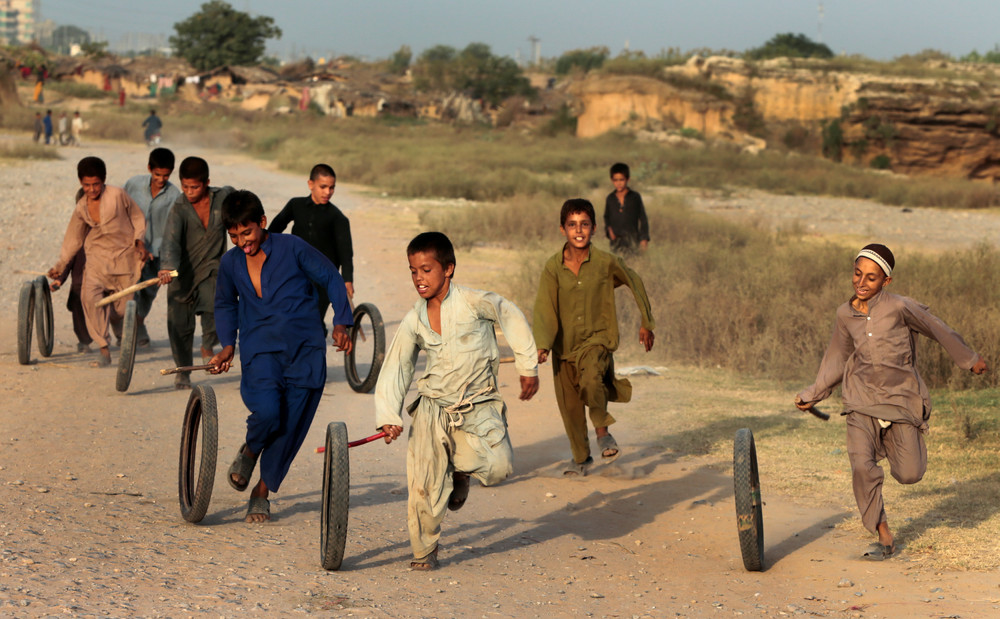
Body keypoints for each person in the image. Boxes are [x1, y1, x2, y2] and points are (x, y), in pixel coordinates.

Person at [795, 243, 988, 561]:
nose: (861, 282)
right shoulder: (845, 314)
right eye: (858, 274)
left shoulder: (900, 307)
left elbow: (937, 329)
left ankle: (890, 450)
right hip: (860, 401)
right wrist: (813, 393)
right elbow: (837, 357)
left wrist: (969, 359)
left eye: (871, 278)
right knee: (861, 465)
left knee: (910, 473)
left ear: (886, 281)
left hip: (901, 401)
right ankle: (881, 529)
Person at [375, 232, 539, 570]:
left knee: (498, 468)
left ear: (448, 268)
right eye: (413, 271)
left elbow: (510, 314)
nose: (419, 279)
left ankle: (462, 473)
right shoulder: (414, 319)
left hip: (478, 405)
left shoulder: (474, 302)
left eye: (426, 270)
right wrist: (389, 414)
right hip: (433, 408)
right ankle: (424, 550)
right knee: (424, 485)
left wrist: (527, 365)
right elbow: (398, 366)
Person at [209, 190, 353, 522]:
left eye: (247, 233)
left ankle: (262, 492)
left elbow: (331, 277)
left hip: (305, 349)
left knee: (291, 425)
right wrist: (228, 344)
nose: (242, 242)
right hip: (260, 349)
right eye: (234, 236)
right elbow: (225, 303)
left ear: (262, 222)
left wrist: (342, 322)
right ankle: (251, 448)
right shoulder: (231, 263)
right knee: (269, 411)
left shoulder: (292, 248)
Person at [533, 198, 655, 475]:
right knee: (570, 407)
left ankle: (602, 432)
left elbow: (634, 281)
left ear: (594, 228)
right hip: (564, 346)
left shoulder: (606, 262)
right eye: (572, 225)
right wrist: (543, 344)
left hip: (598, 340)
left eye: (584, 224)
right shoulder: (553, 268)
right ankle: (581, 459)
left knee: (591, 379)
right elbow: (544, 307)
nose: (579, 230)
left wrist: (646, 321)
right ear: (562, 229)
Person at [48, 157, 148, 367]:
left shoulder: (118, 195)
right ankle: (104, 350)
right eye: (86, 185)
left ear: (103, 181)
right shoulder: (81, 207)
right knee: (89, 298)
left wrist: (139, 240)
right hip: (96, 260)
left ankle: (110, 318)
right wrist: (59, 267)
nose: (91, 189)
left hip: (124, 258)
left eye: (95, 184)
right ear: (80, 182)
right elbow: (73, 239)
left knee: (122, 310)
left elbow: (138, 218)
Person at [157, 157, 233, 389]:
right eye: (185, 186)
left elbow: (240, 199)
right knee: (178, 325)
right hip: (182, 274)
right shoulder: (179, 208)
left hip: (212, 268)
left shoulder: (222, 198)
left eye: (195, 187)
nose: (189, 192)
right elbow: (170, 241)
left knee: (215, 305)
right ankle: (183, 371)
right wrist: (167, 267)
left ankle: (208, 344)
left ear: (207, 183)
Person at [268, 163, 354, 329]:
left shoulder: (338, 218)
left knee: (314, 318)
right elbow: (274, 229)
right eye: (323, 187)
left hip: (323, 277)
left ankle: (316, 346)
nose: (328, 192)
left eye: (332, 188)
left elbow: (345, 252)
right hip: (295, 271)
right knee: (290, 314)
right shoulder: (296, 205)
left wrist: (347, 280)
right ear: (310, 184)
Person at [123, 148, 182, 348]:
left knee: (147, 292)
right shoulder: (133, 184)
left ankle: (139, 324)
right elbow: (121, 209)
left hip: (157, 253)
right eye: (157, 174)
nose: (161, 179)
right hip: (131, 248)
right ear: (150, 169)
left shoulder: (174, 194)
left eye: (166, 175)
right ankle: (127, 329)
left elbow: (173, 229)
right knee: (129, 290)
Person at [51, 246, 92, 353]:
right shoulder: (78, 241)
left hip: (99, 283)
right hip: (79, 284)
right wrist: (59, 279)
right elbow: (68, 261)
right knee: (78, 308)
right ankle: (84, 342)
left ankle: (103, 341)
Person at [604, 162, 649, 255]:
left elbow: (643, 218)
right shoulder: (610, 198)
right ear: (612, 180)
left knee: (633, 266)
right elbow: (606, 217)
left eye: (621, 179)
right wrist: (609, 231)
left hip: (633, 241)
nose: (618, 183)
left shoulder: (635, 197)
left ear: (628, 179)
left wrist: (644, 238)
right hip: (616, 242)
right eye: (615, 180)